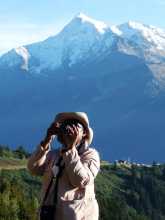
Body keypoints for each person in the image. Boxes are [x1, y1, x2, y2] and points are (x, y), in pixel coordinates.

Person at [27, 112, 100, 220]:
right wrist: (47, 140)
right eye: (65, 125)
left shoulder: (90, 155)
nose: (69, 129)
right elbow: (33, 168)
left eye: (75, 126)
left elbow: (80, 180)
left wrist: (71, 149)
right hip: (50, 214)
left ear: (84, 133)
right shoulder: (55, 155)